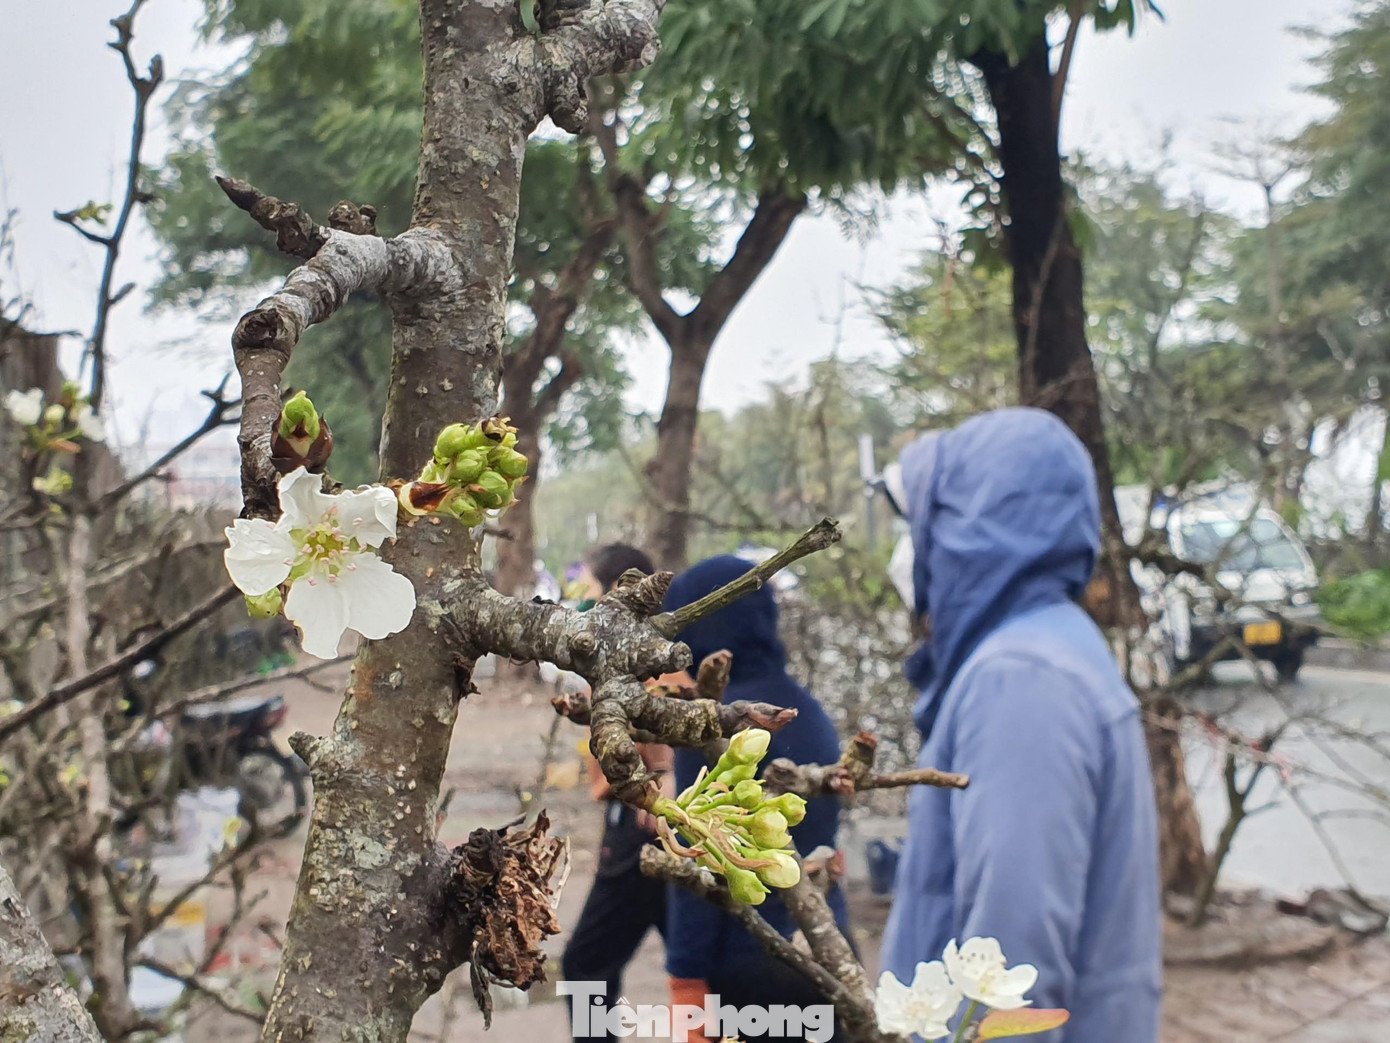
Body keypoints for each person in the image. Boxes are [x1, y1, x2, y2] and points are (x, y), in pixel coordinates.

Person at [880, 408, 1161, 1042]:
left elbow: (1012, 969)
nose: (911, 548)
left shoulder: (1021, 679)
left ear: (970, 530)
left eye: (924, 522)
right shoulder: (1049, 648)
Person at [661, 555, 851, 1043]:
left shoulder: (715, 722)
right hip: (825, 945)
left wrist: (686, 980)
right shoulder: (805, 708)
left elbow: (700, 851)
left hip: (749, 962)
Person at [561, 543, 677, 1042]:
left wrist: (665, 776)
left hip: (643, 832)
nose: (582, 597)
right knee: (698, 958)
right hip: (634, 829)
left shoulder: (648, 659)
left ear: (617, 591)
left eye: (588, 586)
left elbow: (670, 726)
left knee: (586, 965)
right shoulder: (619, 654)